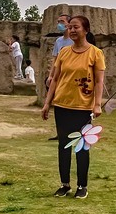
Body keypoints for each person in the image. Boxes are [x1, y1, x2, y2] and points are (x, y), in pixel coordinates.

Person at [42, 16, 104, 199]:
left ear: (86, 30)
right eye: (70, 27)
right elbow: (54, 80)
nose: (72, 30)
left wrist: (97, 104)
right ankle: (65, 184)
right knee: (63, 146)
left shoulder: (96, 53)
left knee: (82, 147)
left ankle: (82, 185)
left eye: (75, 26)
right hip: (62, 105)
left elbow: (100, 81)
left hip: (83, 107)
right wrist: (47, 103)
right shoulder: (64, 52)